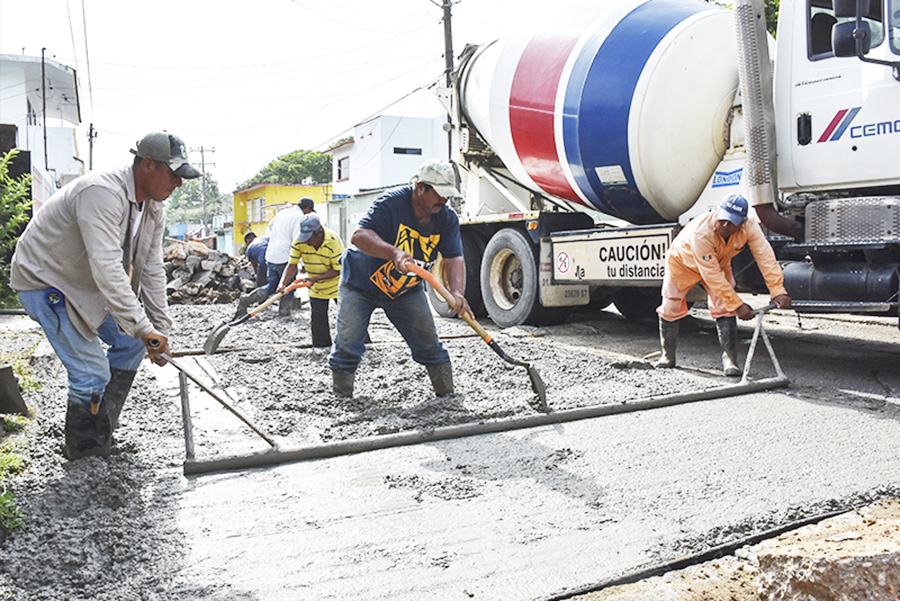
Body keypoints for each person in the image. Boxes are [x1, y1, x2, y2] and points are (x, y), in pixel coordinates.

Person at [10, 131, 201, 459]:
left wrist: (158, 331)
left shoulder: (153, 207)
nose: (178, 183)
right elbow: (108, 267)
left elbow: (152, 269)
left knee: (132, 343)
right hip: (45, 282)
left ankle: (102, 428)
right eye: (173, 174)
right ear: (148, 164)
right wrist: (143, 326)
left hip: (84, 283)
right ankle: (85, 454)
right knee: (90, 373)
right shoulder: (101, 193)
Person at [328, 159, 472, 398]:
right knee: (348, 342)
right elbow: (359, 236)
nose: (444, 200)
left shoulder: (446, 218)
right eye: (439, 193)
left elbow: (454, 257)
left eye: (448, 195)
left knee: (429, 342)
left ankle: (447, 397)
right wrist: (393, 253)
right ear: (420, 187)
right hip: (360, 284)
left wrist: (457, 292)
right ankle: (341, 397)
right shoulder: (391, 203)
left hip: (404, 290)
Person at [655, 193, 791, 376]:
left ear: (742, 223)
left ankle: (730, 360)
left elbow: (765, 256)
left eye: (732, 222)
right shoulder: (701, 232)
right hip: (682, 263)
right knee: (670, 306)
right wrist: (738, 305)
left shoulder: (750, 226)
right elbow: (711, 275)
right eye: (723, 220)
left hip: (719, 263)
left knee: (725, 308)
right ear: (717, 213)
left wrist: (778, 291)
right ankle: (667, 355)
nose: (725, 226)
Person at [276, 214, 343, 349]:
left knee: (350, 318)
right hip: (316, 288)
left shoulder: (333, 241)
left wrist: (314, 279)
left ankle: (363, 345)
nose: (305, 241)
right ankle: (321, 348)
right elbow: (292, 265)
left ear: (319, 233)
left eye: (308, 237)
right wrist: (282, 284)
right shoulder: (299, 242)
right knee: (318, 321)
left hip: (339, 285)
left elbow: (339, 270)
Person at [263, 198, 310, 316]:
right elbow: (298, 241)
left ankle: (248, 299)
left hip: (271, 255)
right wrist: (303, 263)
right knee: (288, 287)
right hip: (285, 257)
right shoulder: (299, 217)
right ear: (307, 208)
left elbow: (270, 225)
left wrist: (280, 234)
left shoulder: (283, 212)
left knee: (272, 286)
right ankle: (284, 312)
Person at [233, 231, 270, 319]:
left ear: (248, 242)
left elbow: (255, 265)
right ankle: (287, 303)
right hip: (278, 259)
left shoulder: (250, 248)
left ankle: (262, 302)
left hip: (263, 262)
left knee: (261, 284)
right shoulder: (265, 238)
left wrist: (257, 276)